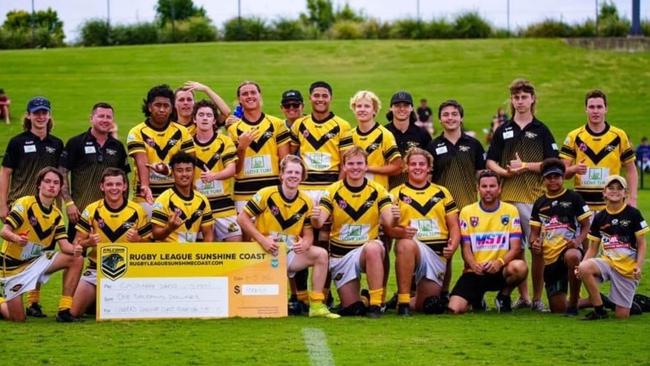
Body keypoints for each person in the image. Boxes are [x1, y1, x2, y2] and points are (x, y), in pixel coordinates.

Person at [486, 79, 559, 310]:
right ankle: (523, 297)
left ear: (532, 99)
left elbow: (553, 163)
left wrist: (525, 166)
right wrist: (503, 173)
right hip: (507, 200)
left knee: (537, 249)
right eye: (516, 98)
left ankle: (538, 299)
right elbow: (491, 160)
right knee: (514, 249)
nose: (520, 102)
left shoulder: (541, 130)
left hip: (535, 199)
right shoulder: (503, 130)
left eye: (524, 97)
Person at [238, 155, 339, 318]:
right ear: (282, 174)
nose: (293, 175)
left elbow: (308, 234)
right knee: (260, 307)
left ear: (302, 176)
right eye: (290, 172)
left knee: (321, 255)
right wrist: (262, 240)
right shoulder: (266, 194)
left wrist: (305, 244)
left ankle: (316, 305)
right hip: (263, 252)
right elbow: (242, 218)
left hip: (289, 253)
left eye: (297, 173)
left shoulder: (307, 201)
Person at [288, 81, 353, 311]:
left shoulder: (342, 125)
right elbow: (291, 155)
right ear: (310, 98)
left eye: (324, 95)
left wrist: (336, 189)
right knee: (299, 240)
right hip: (304, 189)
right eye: (316, 95)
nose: (320, 99)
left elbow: (345, 162)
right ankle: (300, 296)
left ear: (331, 98)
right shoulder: (299, 124)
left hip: (328, 187)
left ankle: (323, 295)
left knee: (324, 240)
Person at [0, 96, 64, 317]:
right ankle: (8, 289)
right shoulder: (18, 142)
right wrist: (2, 204)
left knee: (39, 253)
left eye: (44, 112)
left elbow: (60, 176)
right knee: (20, 250)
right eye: (36, 113)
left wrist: (63, 203)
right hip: (20, 206)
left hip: (47, 208)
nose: (40, 116)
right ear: (28, 115)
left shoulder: (56, 144)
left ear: (49, 115)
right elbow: (6, 173)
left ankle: (34, 302)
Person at [311, 147, 394, 318]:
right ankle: (363, 299)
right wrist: (315, 218)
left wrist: (395, 217)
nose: (355, 167)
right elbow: (319, 222)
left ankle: (376, 304)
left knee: (373, 248)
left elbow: (388, 221)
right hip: (341, 256)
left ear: (365, 166)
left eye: (359, 163)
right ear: (344, 166)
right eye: (351, 163)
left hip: (365, 250)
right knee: (353, 310)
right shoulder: (332, 190)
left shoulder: (378, 190)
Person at [0, 167, 83, 322]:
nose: (52, 185)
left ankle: (64, 311)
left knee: (77, 259)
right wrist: (16, 239)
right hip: (12, 267)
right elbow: (4, 231)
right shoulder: (25, 203)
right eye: (48, 181)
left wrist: (77, 248)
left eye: (56, 183)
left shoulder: (57, 214)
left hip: (35, 262)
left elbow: (65, 247)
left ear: (59, 189)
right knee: (18, 319)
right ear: (39, 185)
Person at [70, 168, 151, 317]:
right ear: (102, 186)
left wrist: (138, 240)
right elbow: (77, 243)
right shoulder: (92, 210)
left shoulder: (137, 211)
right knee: (73, 312)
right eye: (109, 184)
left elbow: (151, 247)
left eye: (118, 184)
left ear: (125, 186)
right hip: (96, 269)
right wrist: (89, 242)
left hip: (130, 271)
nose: (114, 188)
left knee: (132, 313)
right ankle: (94, 300)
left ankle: (98, 301)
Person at [390, 148, 460, 316]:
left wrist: (454, 244)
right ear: (406, 167)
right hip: (413, 247)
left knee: (428, 305)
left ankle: (408, 301)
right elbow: (388, 228)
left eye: (422, 164)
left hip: (436, 254)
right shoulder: (396, 193)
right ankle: (403, 302)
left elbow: (454, 226)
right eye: (413, 164)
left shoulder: (442, 192)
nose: (417, 167)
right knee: (406, 244)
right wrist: (400, 232)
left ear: (429, 167)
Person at [447, 170, 528, 314]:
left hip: (500, 270)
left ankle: (504, 296)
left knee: (520, 267)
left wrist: (499, 263)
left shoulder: (510, 210)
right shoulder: (467, 211)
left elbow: (516, 248)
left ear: (499, 188)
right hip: (475, 271)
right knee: (454, 309)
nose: (488, 190)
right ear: (478, 188)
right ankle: (477, 299)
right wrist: (473, 264)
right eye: (484, 186)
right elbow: (465, 247)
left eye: (492, 186)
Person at [350, 90, 402, 306]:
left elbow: (398, 165)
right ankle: (355, 296)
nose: (362, 110)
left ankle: (378, 296)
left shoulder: (384, 134)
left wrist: (368, 167)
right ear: (354, 109)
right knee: (354, 245)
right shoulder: (349, 135)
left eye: (366, 106)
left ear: (374, 110)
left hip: (378, 198)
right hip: (353, 198)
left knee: (381, 247)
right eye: (358, 106)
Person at [576, 175, 648, 320]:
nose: (615, 191)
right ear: (604, 192)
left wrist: (638, 266)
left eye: (619, 188)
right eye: (611, 188)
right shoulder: (599, 217)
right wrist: (580, 266)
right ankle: (599, 309)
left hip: (627, 269)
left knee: (621, 316)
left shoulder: (633, 214)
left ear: (625, 193)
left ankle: (633, 303)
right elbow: (593, 248)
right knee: (584, 268)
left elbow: (642, 243)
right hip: (607, 262)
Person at [59, 102, 130, 242]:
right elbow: (61, 173)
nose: (105, 120)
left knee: (111, 252)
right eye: (101, 116)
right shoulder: (76, 143)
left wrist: (124, 207)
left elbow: (124, 179)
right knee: (75, 253)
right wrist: (69, 203)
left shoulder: (118, 146)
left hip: (110, 214)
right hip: (80, 212)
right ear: (91, 118)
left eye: (108, 117)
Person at [529, 158, 592, 314]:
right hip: (551, 259)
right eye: (549, 177)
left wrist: (577, 241)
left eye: (556, 177)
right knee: (558, 309)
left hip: (569, 250)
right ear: (543, 179)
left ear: (563, 177)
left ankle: (573, 303)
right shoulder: (539, 203)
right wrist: (535, 243)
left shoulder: (574, 198)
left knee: (572, 256)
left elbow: (586, 226)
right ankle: (592, 300)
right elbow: (534, 234)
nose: (553, 181)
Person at [561, 89, 638, 210]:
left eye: (599, 107)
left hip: (612, 205)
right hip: (582, 208)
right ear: (586, 109)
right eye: (591, 107)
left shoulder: (619, 135)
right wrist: (574, 169)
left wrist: (633, 198)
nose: (595, 111)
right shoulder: (574, 136)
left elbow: (631, 170)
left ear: (606, 109)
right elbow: (563, 173)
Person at [127, 85, 195, 216]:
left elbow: (190, 163)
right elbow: (142, 163)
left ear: (171, 109)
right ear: (149, 107)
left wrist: (167, 170)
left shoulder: (182, 132)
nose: (162, 109)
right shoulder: (137, 132)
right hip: (146, 196)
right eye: (158, 105)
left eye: (166, 106)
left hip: (176, 195)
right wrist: (146, 187)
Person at [227, 81, 290, 213]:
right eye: (245, 94)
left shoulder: (276, 124)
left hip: (272, 191)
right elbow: (236, 170)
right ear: (239, 99)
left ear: (260, 95)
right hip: (244, 193)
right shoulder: (233, 130)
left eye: (253, 92)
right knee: (246, 233)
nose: (249, 96)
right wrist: (241, 148)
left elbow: (285, 163)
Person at [192, 99, 241, 242]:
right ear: (194, 119)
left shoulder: (225, 141)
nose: (205, 118)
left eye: (209, 115)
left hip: (224, 206)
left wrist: (214, 176)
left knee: (236, 242)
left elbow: (232, 170)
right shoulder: (187, 143)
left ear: (214, 120)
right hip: (200, 207)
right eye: (201, 115)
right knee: (207, 255)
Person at [429, 99, 486, 210]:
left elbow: (482, 175)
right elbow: (428, 179)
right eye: (445, 115)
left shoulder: (474, 144)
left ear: (461, 118)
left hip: (469, 208)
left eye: (454, 114)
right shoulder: (432, 146)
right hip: (441, 208)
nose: (450, 118)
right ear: (440, 120)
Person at [151, 152, 214, 243]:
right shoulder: (164, 199)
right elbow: (155, 235)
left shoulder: (202, 200)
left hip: (191, 255)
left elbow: (208, 234)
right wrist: (169, 228)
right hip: (168, 254)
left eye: (188, 170)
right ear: (172, 173)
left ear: (193, 172)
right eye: (179, 170)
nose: (184, 174)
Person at [384, 91, 432, 190]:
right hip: (386, 193)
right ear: (391, 108)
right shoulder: (383, 133)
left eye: (406, 105)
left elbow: (430, 167)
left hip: (416, 193)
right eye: (397, 105)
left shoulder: (423, 134)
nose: (402, 109)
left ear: (411, 108)